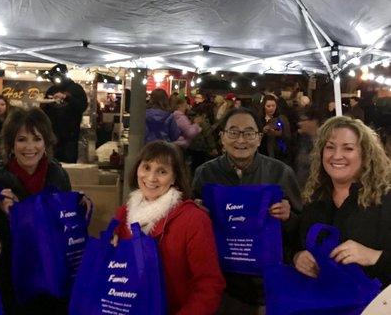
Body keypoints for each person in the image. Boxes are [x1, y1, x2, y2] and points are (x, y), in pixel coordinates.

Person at [193, 107, 301, 314]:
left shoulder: (280, 173)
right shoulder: (205, 173)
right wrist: (195, 213)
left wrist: (289, 217)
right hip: (221, 284)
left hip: (266, 286)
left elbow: (301, 229)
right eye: (233, 132)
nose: (241, 139)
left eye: (249, 133)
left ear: (260, 138)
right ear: (222, 137)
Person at [114, 141, 226, 314]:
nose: (151, 178)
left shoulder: (194, 219)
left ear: (174, 177)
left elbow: (209, 284)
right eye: (146, 167)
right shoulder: (124, 213)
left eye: (162, 171)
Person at [0, 107, 71, 314]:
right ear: (10, 144)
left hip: (55, 282)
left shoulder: (58, 177)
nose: (30, 147)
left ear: (46, 142)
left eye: (37, 138)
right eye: (22, 139)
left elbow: (66, 228)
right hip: (14, 288)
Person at [293, 116, 391, 287]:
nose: (337, 156)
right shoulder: (314, 198)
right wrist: (297, 257)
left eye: (348, 148)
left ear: (365, 154)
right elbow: (296, 241)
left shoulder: (386, 198)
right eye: (330, 147)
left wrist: (374, 256)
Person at [41, 64, 88, 163]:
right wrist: (44, 104)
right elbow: (44, 112)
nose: (53, 80)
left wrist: (67, 97)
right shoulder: (52, 90)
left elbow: (82, 106)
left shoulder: (76, 89)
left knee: (68, 166)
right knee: (51, 165)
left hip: (70, 136)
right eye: (52, 78)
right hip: (52, 136)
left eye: (55, 77)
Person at [293, 108, 321, 191]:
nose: (300, 123)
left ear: (314, 122)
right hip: (303, 186)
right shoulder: (303, 139)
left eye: (304, 120)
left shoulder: (325, 141)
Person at [259, 94, 292, 165]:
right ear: (264, 106)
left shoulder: (281, 118)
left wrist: (280, 134)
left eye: (273, 106)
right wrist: (263, 131)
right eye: (268, 106)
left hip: (279, 153)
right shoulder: (260, 119)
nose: (271, 108)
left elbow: (288, 136)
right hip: (263, 154)